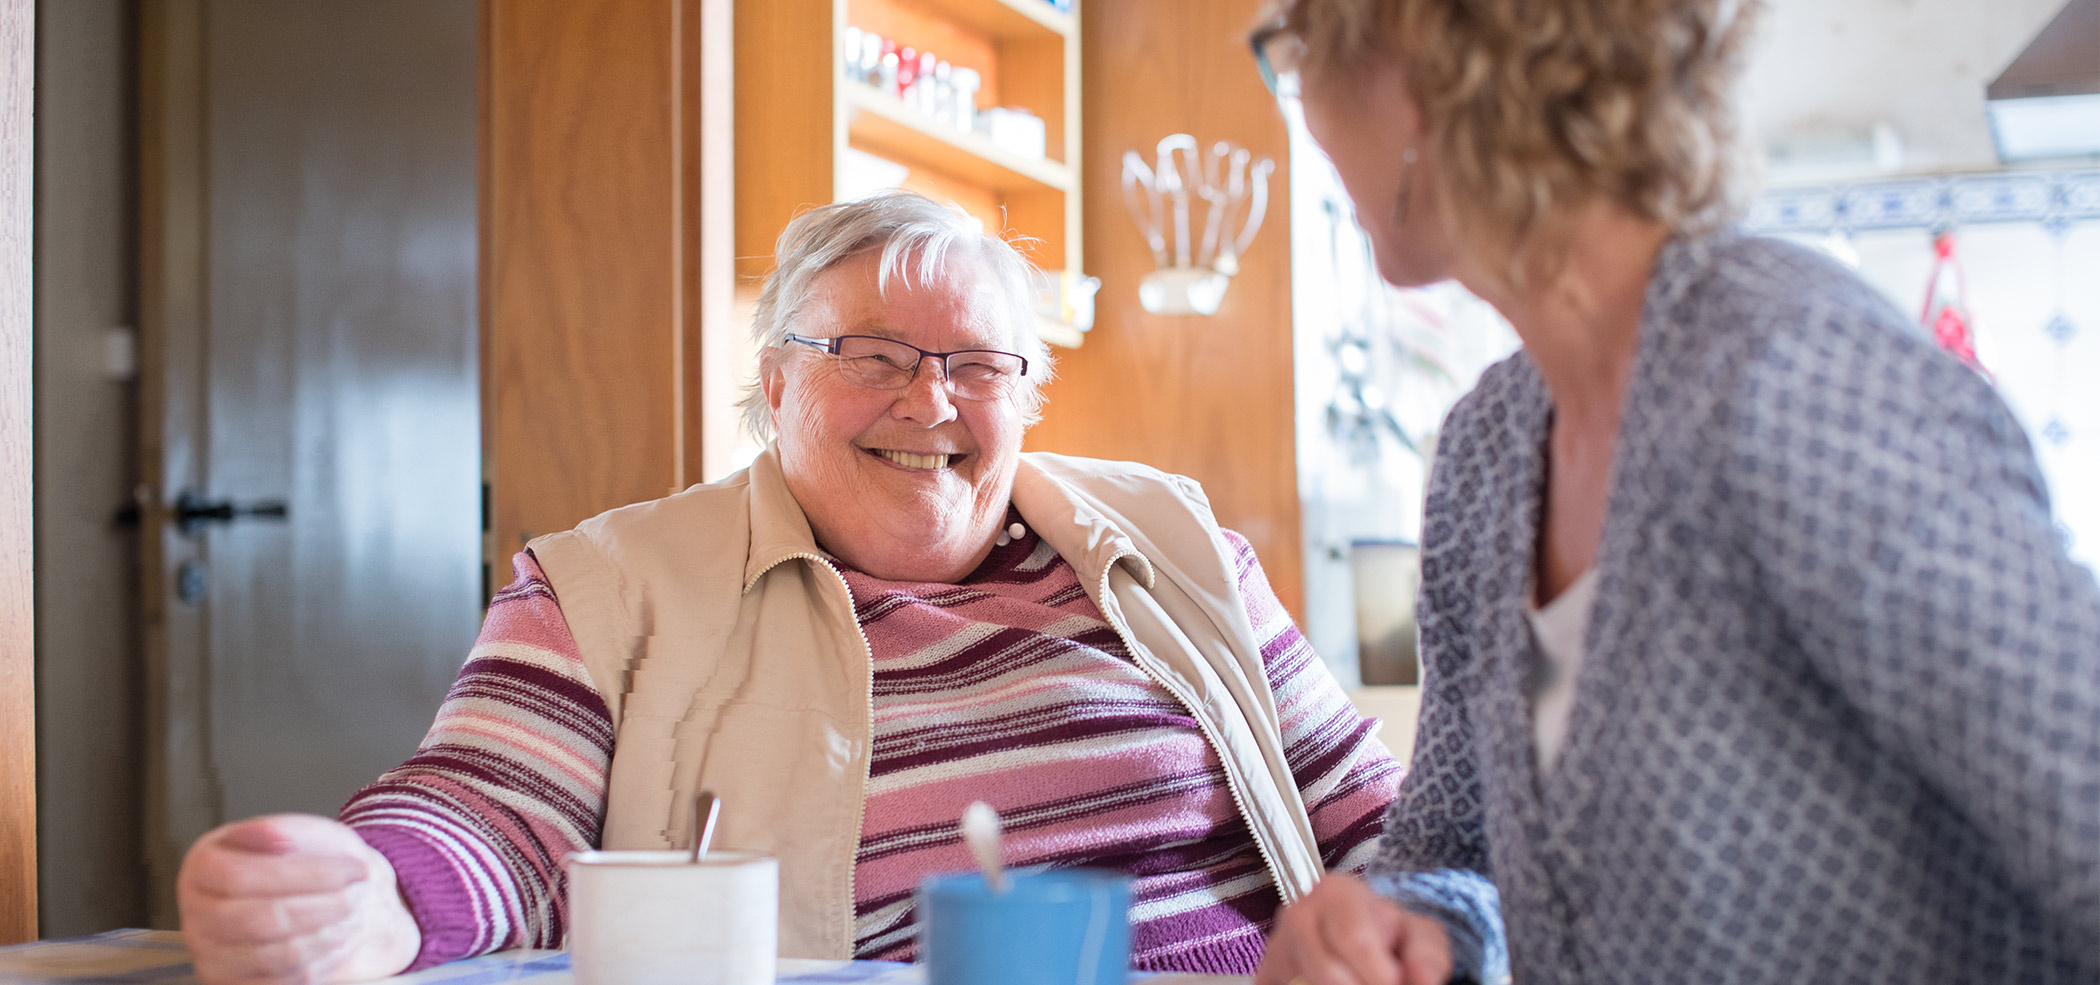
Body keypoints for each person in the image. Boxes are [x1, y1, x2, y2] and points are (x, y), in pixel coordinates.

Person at [175, 191, 1404, 985]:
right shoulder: (610, 583)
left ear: (1027, 395)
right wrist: (376, 896)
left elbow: (1377, 823)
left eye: (979, 366)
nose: (931, 404)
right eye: (873, 358)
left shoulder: (1175, 544)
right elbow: (497, 809)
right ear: (776, 383)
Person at [1248, 0, 2100, 983]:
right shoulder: (1485, 451)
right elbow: (1450, 851)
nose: (1303, 113)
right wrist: (1408, 927)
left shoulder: (1798, 381)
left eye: (1301, 54)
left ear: (1426, 74)